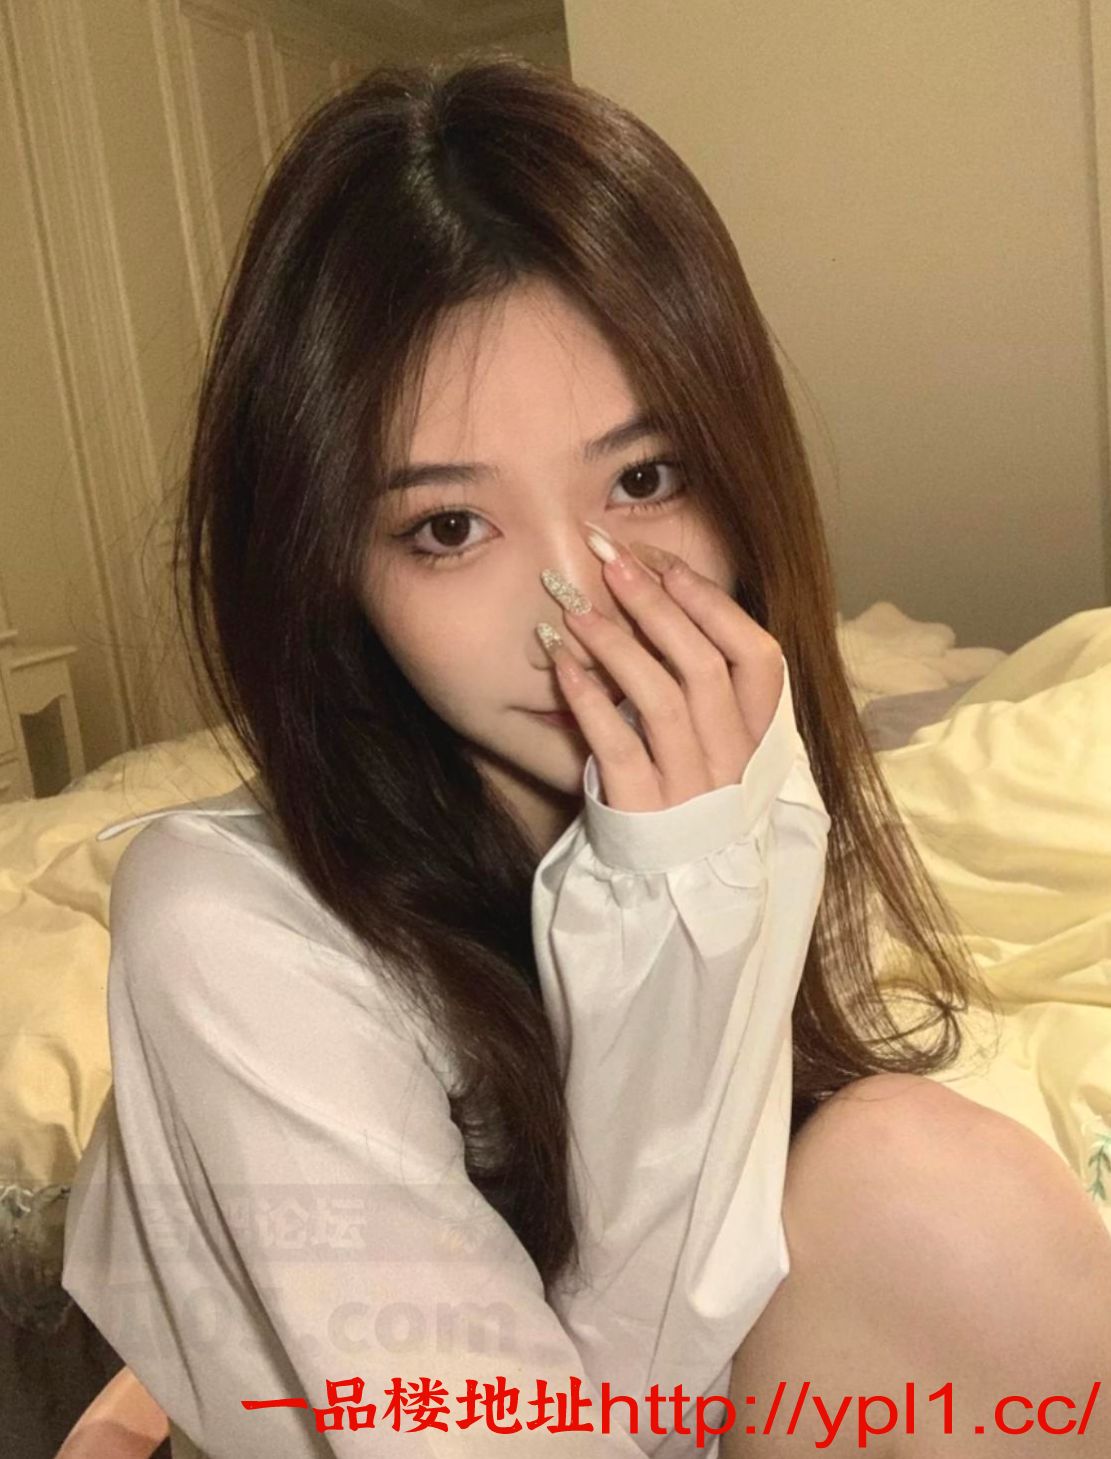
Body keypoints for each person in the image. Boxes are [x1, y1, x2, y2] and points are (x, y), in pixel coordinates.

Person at [61, 50, 1111, 1459]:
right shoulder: (227, 921)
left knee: (925, 1178)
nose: (579, 611)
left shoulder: (738, 769)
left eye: (643, 479)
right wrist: (676, 898)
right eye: (448, 528)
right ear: (327, 567)